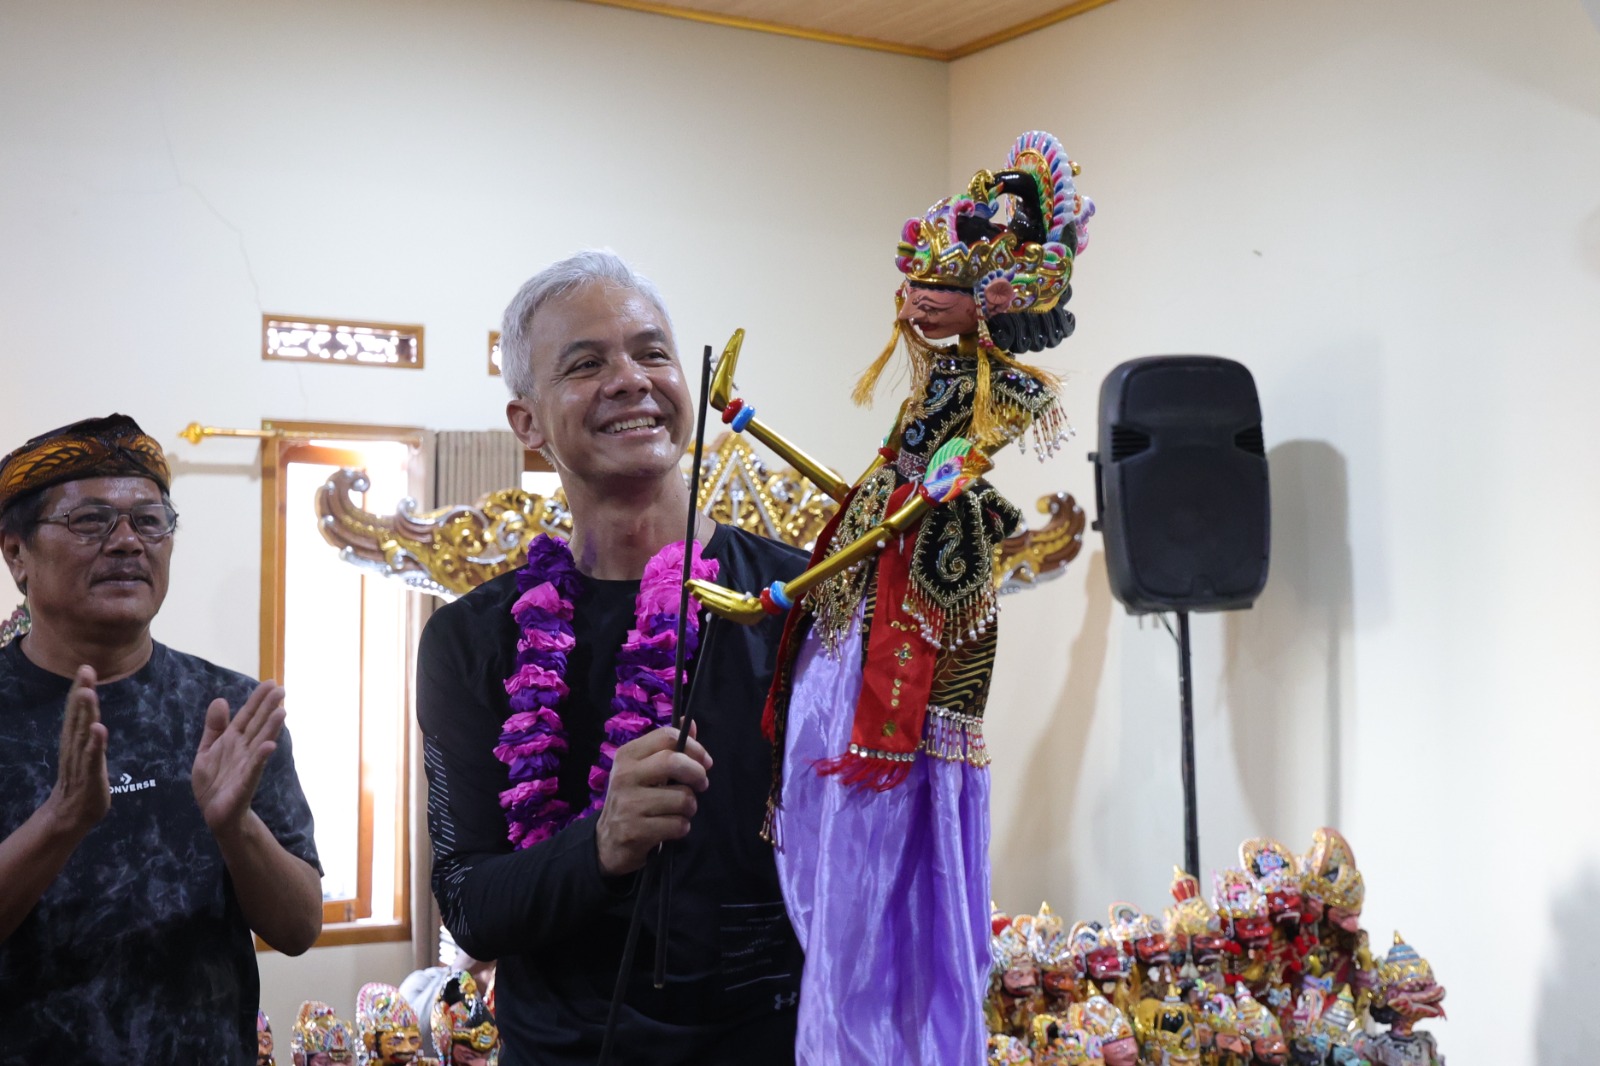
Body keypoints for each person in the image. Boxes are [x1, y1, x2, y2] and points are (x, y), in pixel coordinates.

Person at [418, 251, 805, 1064]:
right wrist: (599, 843)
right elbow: (468, 901)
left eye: (652, 352)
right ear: (527, 422)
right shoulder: (468, 638)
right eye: (587, 363)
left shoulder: (796, 596)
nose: (631, 379)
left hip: (773, 1040)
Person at [0, 414, 323, 1063]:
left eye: (150, 521)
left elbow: (297, 928)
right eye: (91, 521)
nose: (126, 543)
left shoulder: (226, 712)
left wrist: (237, 830)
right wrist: (60, 823)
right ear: (17, 553)